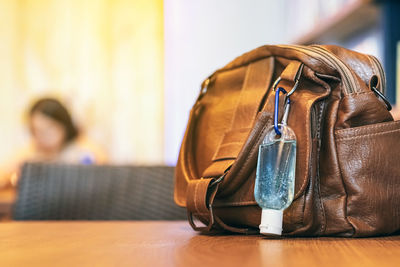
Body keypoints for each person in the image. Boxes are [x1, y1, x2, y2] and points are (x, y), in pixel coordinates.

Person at [0, 97, 107, 188]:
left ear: (64, 125)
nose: (43, 136)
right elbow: (3, 174)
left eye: (49, 128)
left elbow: (105, 175)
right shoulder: (31, 152)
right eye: (37, 130)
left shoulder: (82, 147)